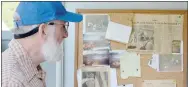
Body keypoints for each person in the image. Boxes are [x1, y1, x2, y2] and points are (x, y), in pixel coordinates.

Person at [2, 1, 83, 87]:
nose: (66, 34)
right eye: (63, 26)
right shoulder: (13, 81)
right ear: (43, 30)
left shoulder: (29, 69)